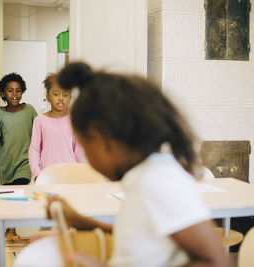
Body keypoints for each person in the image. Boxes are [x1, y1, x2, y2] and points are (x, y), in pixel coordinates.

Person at [15, 62, 230, 267]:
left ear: (99, 139)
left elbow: (216, 262)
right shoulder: (143, 177)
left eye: (83, 143)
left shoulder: (159, 183)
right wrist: (83, 223)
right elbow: (141, 235)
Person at [0, 72, 37, 240]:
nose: (14, 94)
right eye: (10, 91)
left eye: (18, 90)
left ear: (22, 92)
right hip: (6, 160)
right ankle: (8, 229)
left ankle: (11, 230)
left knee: (19, 190)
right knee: (10, 195)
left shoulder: (30, 110)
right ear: (3, 93)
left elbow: (38, 132)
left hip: (25, 161)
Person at [28, 73, 85, 182]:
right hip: (47, 175)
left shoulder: (74, 120)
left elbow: (78, 151)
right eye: (56, 94)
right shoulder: (39, 120)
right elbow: (34, 149)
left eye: (65, 95)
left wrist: (80, 172)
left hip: (70, 174)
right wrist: (36, 172)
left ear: (70, 98)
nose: (60, 98)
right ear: (48, 97)